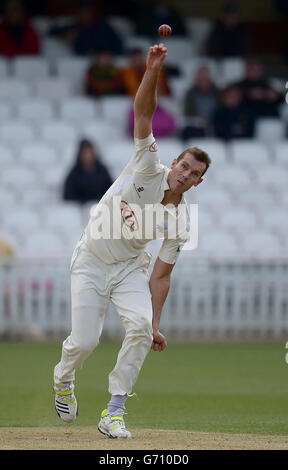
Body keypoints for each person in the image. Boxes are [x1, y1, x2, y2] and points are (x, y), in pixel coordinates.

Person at [53, 43, 211, 439]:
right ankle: (63, 377)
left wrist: (155, 323)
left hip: (128, 269)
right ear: (174, 162)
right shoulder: (147, 163)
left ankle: (115, 411)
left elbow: (160, 277)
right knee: (85, 342)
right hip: (91, 258)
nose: (185, 174)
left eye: (194, 174)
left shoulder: (180, 222)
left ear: (198, 182)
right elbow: (144, 111)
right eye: (185, 166)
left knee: (139, 327)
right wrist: (152, 70)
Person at [48, 0, 123, 56]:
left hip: (102, 61)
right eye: (80, 12)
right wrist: (64, 35)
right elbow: (51, 32)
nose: (83, 15)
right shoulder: (76, 26)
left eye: (86, 12)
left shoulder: (103, 27)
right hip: (81, 61)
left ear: (91, 13)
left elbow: (118, 46)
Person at [62, 139, 113, 205]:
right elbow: (68, 197)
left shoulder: (103, 172)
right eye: (85, 153)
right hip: (79, 211)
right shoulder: (73, 175)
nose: (88, 156)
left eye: (90, 153)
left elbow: (111, 191)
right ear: (80, 155)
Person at [181, 66, 219, 139]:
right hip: (196, 126)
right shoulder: (190, 94)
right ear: (196, 79)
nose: (203, 81)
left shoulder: (218, 93)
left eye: (205, 78)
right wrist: (198, 121)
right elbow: (188, 113)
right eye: (201, 78)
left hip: (216, 124)